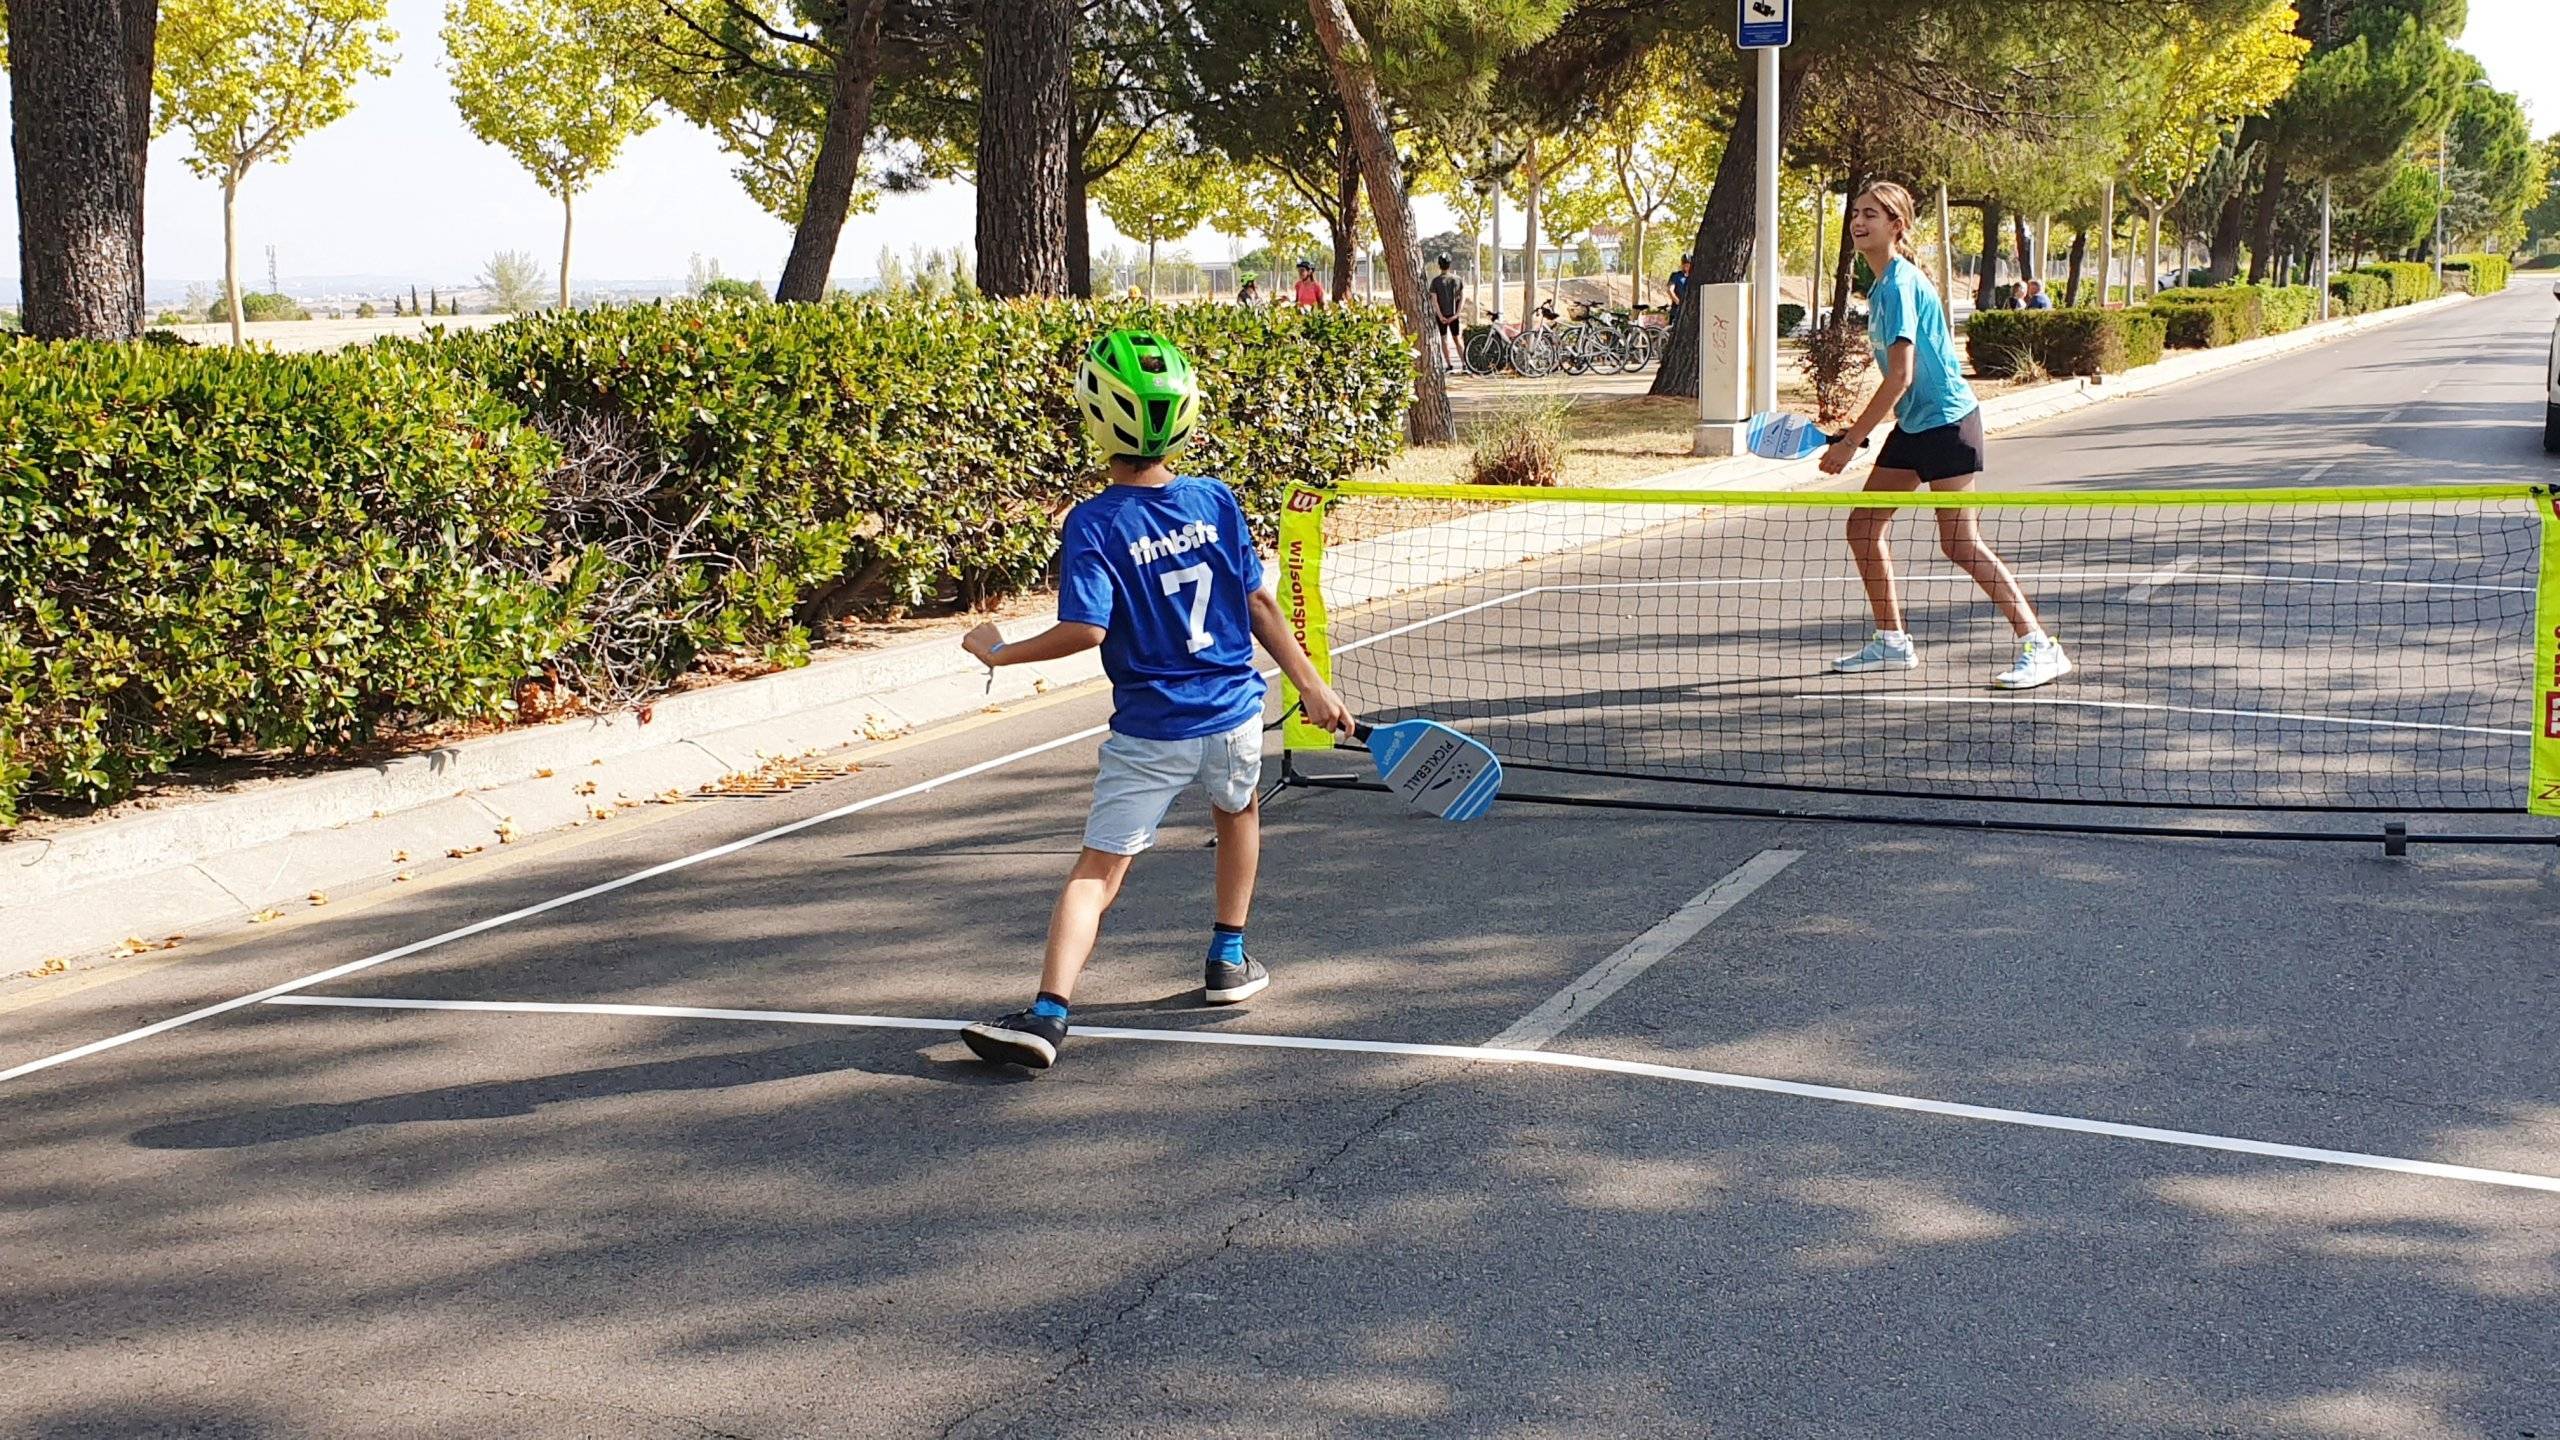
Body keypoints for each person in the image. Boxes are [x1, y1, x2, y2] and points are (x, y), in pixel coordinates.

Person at [958, 329, 1356, 1070]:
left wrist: (1000, 650)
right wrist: (1313, 687)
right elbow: (1261, 606)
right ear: (1186, 418)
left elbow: (1085, 629)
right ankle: (1227, 961)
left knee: (1098, 872)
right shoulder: (1215, 500)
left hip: (1151, 730)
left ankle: (1047, 1016)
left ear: (1094, 419)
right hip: (1233, 714)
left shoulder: (1095, 522)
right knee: (1239, 814)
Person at [1818, 181, 2072, 691]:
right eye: (1856, 213)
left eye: (1872, 213)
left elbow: (1900, 375)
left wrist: (1850, 445)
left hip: (1950, 423)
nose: (1859, 221)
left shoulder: (1899, 284)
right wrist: (1856, 428)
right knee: (1863, 527)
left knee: (1959, 543)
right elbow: (1901, 383)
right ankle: (1891, 641)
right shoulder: (1882, 284)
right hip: (1915, 424)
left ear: (1897, 225)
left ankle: (2040, 646)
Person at [1428, 254, 1464, 367]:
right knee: (1457, 338)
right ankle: (1464, 364)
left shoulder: (1435, 281)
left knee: (1444, 339)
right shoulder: (1458, 280)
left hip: (1441, 316)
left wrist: (1440, 316)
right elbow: (1462, 298)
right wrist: (1456, 314)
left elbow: (1434, 301)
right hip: (1454, 315)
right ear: (1449, 265)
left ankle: (1449, 365)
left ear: (1439, 265)